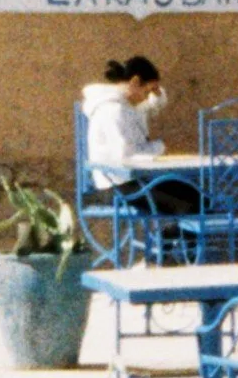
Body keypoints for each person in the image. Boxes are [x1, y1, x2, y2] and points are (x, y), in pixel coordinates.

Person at [80, 58, 199, 243]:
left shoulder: (125, 105)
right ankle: (162, 254)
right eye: (147, 91)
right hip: (116, 185)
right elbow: (126, 157)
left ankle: (170, 249)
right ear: (135, 82)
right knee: (188, 206)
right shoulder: (113, 111)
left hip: (130, 180)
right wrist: (159, 150)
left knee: (197, 196)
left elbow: (152, 105)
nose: (147, 97)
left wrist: (156, 92)